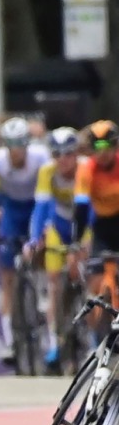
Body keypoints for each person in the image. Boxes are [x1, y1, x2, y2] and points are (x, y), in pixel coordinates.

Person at [0, 117, 50, 361]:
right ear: (5, 145)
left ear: (27, 144)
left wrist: (41, 231)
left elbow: (46, 196)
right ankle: (10, 341)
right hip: (12, 210)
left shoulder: (41, 157)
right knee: (8, 277)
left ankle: (42, 294)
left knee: (42, 246)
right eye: (12, 145)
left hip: (36, 205)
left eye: (21, 144)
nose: (17, 151)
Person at [28, 126, 86, 366]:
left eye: (68, 153)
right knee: (53, 282)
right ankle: (53, 341)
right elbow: (40, 207)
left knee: (81, 270)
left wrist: (80, 244)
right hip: (58, 225)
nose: (63, 159)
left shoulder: (85, 168)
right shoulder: (47, 172)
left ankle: (89, 331)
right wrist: (33, 239)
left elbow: (88, 210)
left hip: (83, 224)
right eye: (57, 154)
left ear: (76, 153)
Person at [75, 120, 119, 308]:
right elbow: (81, 208)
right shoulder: (86, 169)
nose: (103, 152)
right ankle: (94, 334)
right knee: (95, 283)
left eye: (107, 146)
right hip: (101, 227)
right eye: (97, 147)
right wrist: (76, 240)